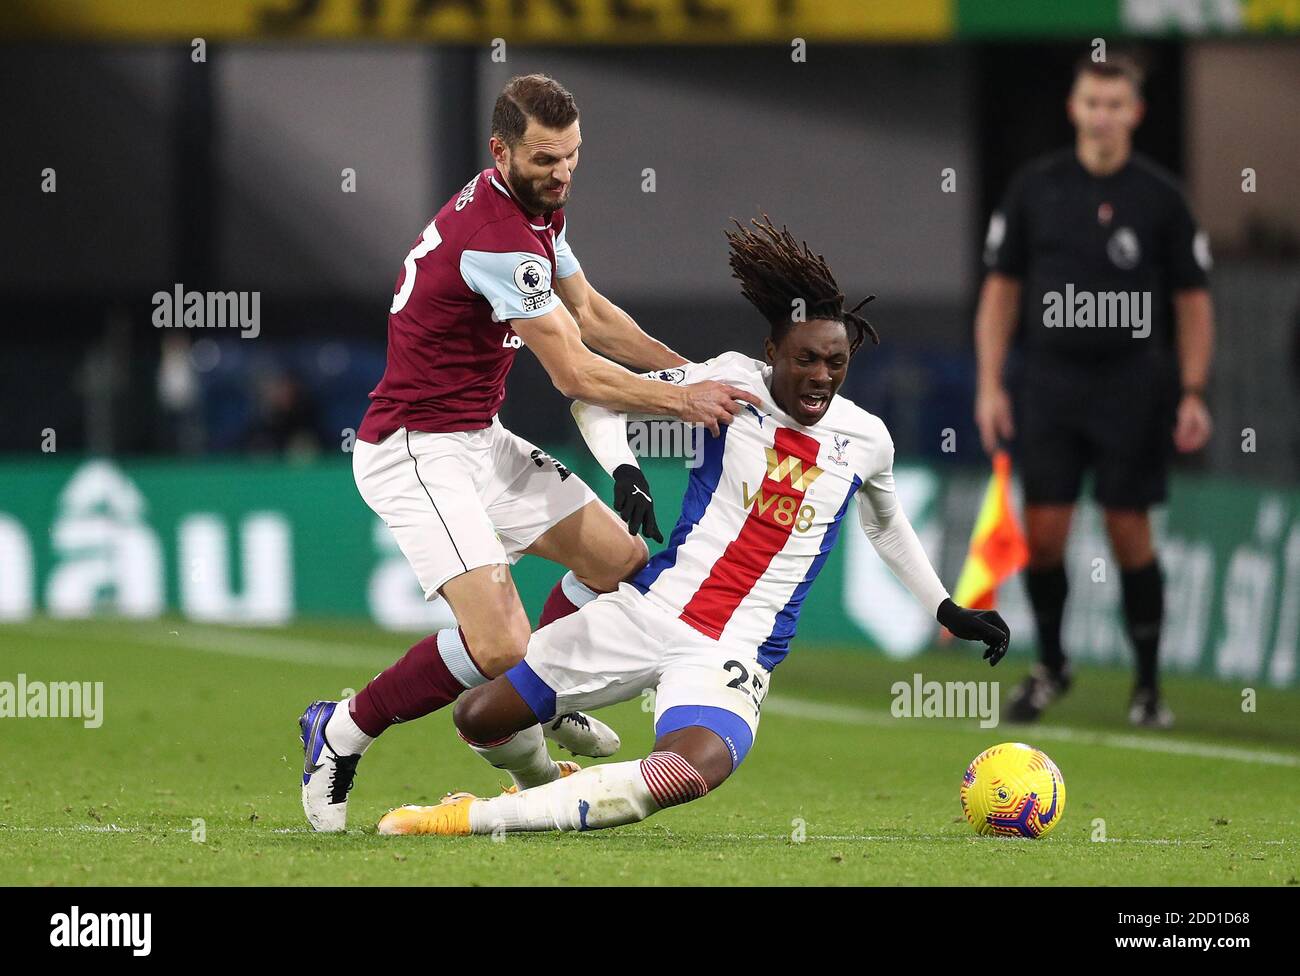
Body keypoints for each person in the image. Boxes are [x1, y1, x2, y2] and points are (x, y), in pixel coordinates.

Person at [374, 216, 1010, 837]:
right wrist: (626, 470)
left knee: (685, 771)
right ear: (772, 353)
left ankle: (467, 819)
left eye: (836, 363)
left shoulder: (866, 439)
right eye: (806, 360)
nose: (820, 377)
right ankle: (541, 785)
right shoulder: (729, 383)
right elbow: (596, 400)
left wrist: (945, 607)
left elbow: (887, 526)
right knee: (481, 716)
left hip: (735, 651)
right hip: (651, 610)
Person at [300, 74, 757, 832]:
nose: (563, 172)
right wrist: (682, 402)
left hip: (480, 437)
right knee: (499, 640)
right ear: (500, 150)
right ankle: (344, 727)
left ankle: (536, 696)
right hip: (417, 449)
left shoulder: (533, 209)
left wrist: (696, 374)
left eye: (573, 156)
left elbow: (594, 315)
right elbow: (575, 371)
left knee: (621, 561)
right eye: (546, 159)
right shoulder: (499, 239)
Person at [975, 55, 1215, 728]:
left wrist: (1193, 390)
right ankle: (1052, 664)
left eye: (1116, 104)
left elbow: (1194, 302)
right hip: (1050, 382)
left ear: (1135, 113)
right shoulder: (1036, 189)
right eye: (1092, 102)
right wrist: (991, 383)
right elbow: (1001, 293)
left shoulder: (1161, 198)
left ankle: (1146, 686)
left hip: (1134, 384)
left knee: (1128, 528)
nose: (1103, 115)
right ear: (1074, 108)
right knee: (1045, 533)